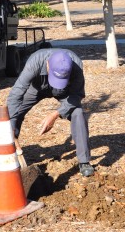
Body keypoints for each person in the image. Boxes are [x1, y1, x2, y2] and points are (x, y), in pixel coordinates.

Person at [7, 48, 94, 177]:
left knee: (78, 113)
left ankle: (84, 161)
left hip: (64, 92)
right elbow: (16, 94)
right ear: (47, 64)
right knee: (16, 111)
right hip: (37, 87)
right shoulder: (35, 61)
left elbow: (77, 96)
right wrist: (11, 127)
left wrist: (55, 114)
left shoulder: (76, 65)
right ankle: (10, 152)